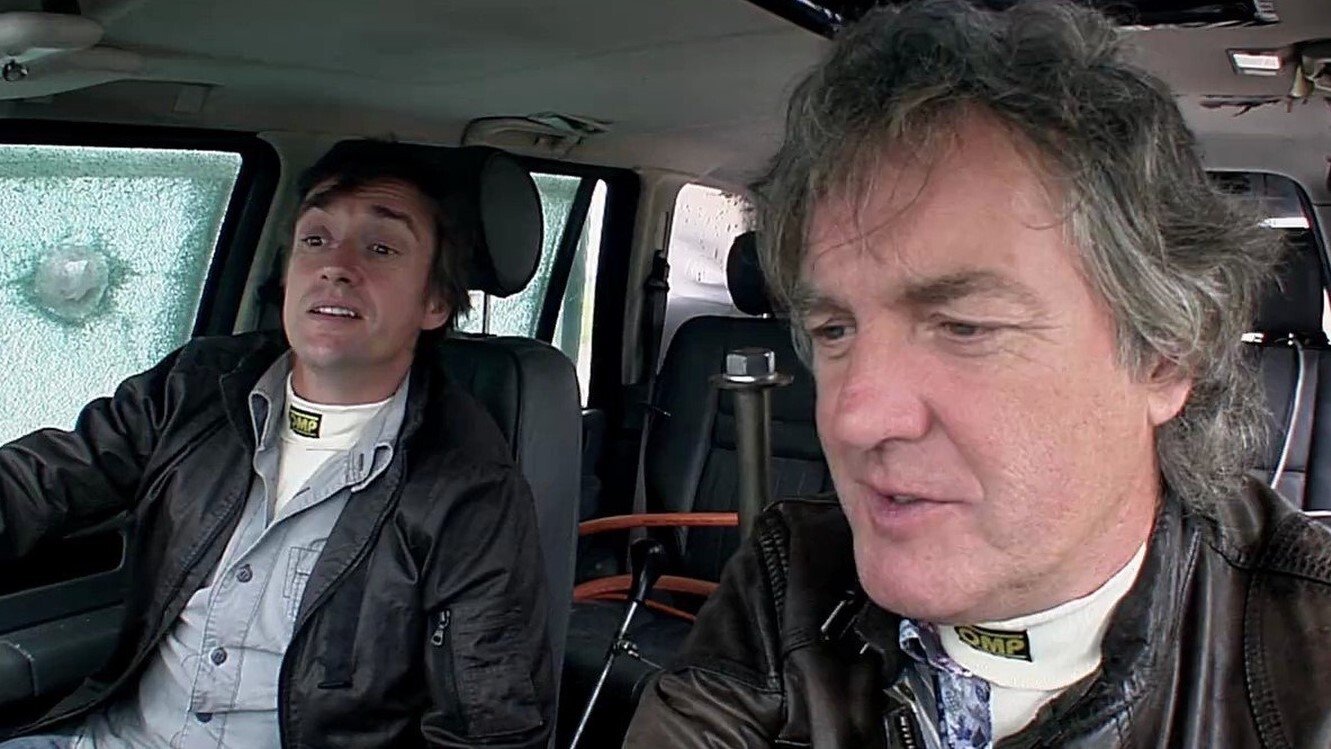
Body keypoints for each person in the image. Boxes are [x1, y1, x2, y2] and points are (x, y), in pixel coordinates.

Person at [626, 1, 1331, 746]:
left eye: (964, 326)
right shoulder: (792, 576)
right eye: (834, 329)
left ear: (1165, 354)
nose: (853, 418)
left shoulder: (1306, 659)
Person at [0, 141, 553, 748]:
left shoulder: (469, 488)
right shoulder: (196, 388)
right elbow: (39, 481)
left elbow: (486, 728)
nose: (335, 266)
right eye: (315, 239)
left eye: (380, 248)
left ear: (435, 301)